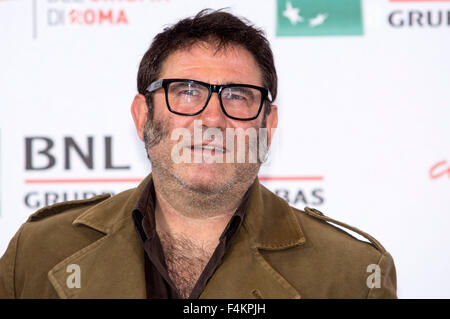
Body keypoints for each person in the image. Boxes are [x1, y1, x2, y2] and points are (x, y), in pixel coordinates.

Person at [0, 9, 396, 299]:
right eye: (187, 91)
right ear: (142, 116)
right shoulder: (37, 253)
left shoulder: (354, 275)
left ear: (268, 125)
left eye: (237, 96)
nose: (210, 119)